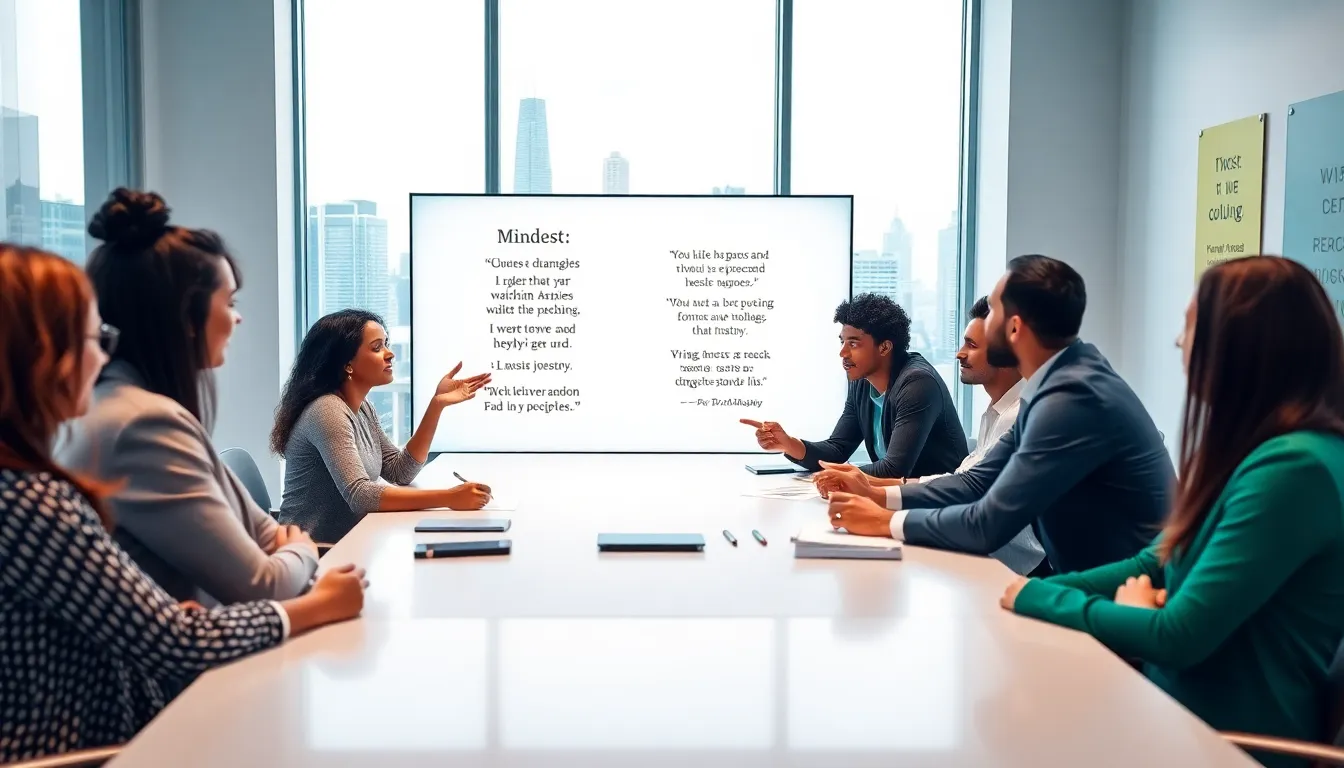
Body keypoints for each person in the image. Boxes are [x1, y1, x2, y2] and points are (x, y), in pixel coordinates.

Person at [0, 244, 366, 761]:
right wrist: (316, 604)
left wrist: (163, 617)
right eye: (92, 338)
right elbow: (176, 639)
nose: (103, 356)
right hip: (110, 745)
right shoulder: (35, 500)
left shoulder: (25, 483)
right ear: (39, 353)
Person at [1002, 256, 1344, 768]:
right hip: (1174, 715)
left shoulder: (1295, 468)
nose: (1180, 345)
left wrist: (1046, 602)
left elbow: (1178, 636)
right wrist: (1043, 591)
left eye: (1190, 330)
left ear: (1240, 347)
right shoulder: (1262, 452)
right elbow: (1153, 564)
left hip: (1224, 742)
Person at [824, 255, 1173, 574]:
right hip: (1091, 581)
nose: (980, 326)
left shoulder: (1071, 400)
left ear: (1015, 328)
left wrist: (885, 522)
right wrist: (876, 495)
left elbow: (987, 525)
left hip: (1126, 597)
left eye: (990, 312)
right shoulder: (1061, 381)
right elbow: (976, 482)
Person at [58, 188, 320, 605]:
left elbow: (267, 536)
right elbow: (263, 585)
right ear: (187, 316)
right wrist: (302, 550)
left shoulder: (127, 407)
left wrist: (287, 552)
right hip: (203, 664)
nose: (238, 317)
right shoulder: (143, 424)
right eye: (229, 301)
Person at [814, 296, 1046, 576]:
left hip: (1018, 567)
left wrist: (881, 507)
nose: (959, 354)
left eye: (971, 345)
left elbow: (971, 492)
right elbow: (962, 480)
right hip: (983, 554)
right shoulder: (997, 411)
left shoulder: (1021, 415)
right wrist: (874, 489)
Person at [272, 309, 493, 543]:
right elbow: (361, 496)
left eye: (386, 344)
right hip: (311, 553)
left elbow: (400, 471)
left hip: (349, 543)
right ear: (347, 364)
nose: (390, 354)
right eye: (377, 347)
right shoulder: (327, 411)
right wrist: (449, 498)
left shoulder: (363, 408)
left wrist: (436, 405)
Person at [740, 293, 967, 479]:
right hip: (896, 499)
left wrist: (833, 474)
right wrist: (789, 444)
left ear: (885, 347)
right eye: (842, 342)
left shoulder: (918, 383)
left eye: (854, 343)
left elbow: (894, 470)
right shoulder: (861, 382)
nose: (843, 353)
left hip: (937, 505)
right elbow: (837, 449)